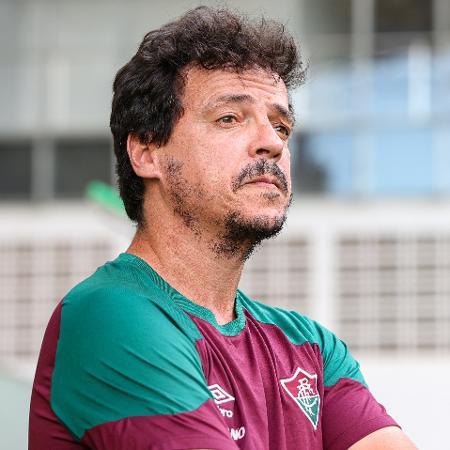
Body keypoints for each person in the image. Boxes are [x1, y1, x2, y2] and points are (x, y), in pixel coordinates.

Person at [29, 6, 417, 450]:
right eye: (229, 118)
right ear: (147, 153)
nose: (271, 141)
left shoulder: (310, 348)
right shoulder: (109, 316)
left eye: (281, 125)